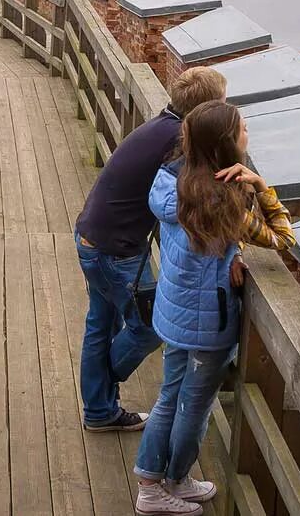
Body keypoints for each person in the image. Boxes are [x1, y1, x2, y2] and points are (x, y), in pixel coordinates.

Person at [132, 100, 294, 515]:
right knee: (192, 405)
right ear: (226, 143)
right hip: (208, 320)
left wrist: (233, 251)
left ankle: (160, 480)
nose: (247, 135)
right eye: (243, 130)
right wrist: (260, 186)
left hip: (174, 310)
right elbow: (282, 237)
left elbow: (200, 243)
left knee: (171, 397)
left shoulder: (173, 179)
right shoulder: (226, 202)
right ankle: (163, 484)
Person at [74, 66, 227, 433]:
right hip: (117, 252)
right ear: (204, 112)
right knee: (148, 327)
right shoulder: (178, 141)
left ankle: (99, 409)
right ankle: (101, 389)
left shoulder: (162, 125)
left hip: (92, 237)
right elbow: (192, 194)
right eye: (221, 103)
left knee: (101, 323)